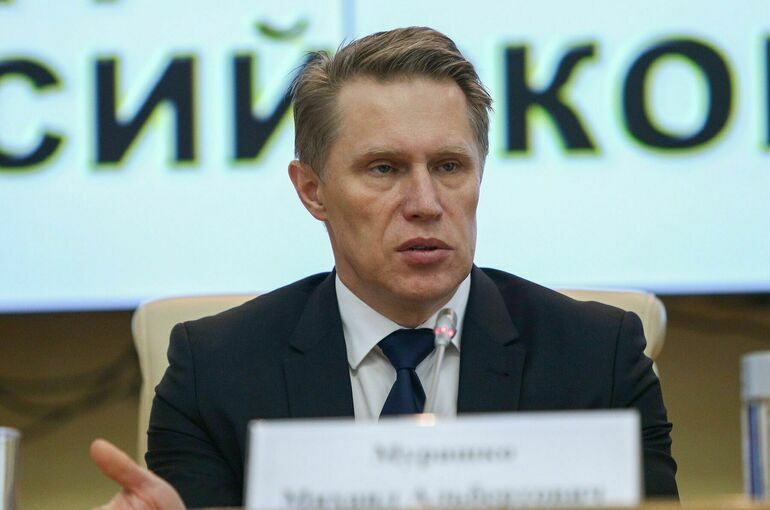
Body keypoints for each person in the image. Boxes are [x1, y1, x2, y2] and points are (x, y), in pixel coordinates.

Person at [91, 26, 678, 508]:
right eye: (384, 169)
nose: (425, 203)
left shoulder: (597, 358)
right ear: (312, 189)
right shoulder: (215, 371)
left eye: (449, 166)